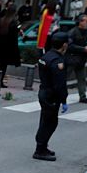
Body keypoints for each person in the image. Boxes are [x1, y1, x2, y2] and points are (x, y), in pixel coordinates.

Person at [34, 32, 70, 161]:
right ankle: (40, 149)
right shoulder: (57, 60)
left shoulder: (46, 56)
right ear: (64, 44)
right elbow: (60, 84)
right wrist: (64, 100)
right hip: (51, 96)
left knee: (45, 121)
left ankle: (42, 147)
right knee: (50, 123)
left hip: (44, 92)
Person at [0, 5, 21, 87]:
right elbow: (13, 37)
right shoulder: (13, 22)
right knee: (3, 65)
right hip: (8, 47)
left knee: (2, 64)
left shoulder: (1, 20)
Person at [66, 14, 87, 104]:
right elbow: (70, 46)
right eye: (86, 21)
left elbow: (81, 45)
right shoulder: (73, 32)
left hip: (81, 59)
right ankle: (56, 94)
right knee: (63, 78)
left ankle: (83, 97)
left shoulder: (85, 31)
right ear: (80, 22)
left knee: (82, 78)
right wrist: (84, 49)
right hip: (72, 58)